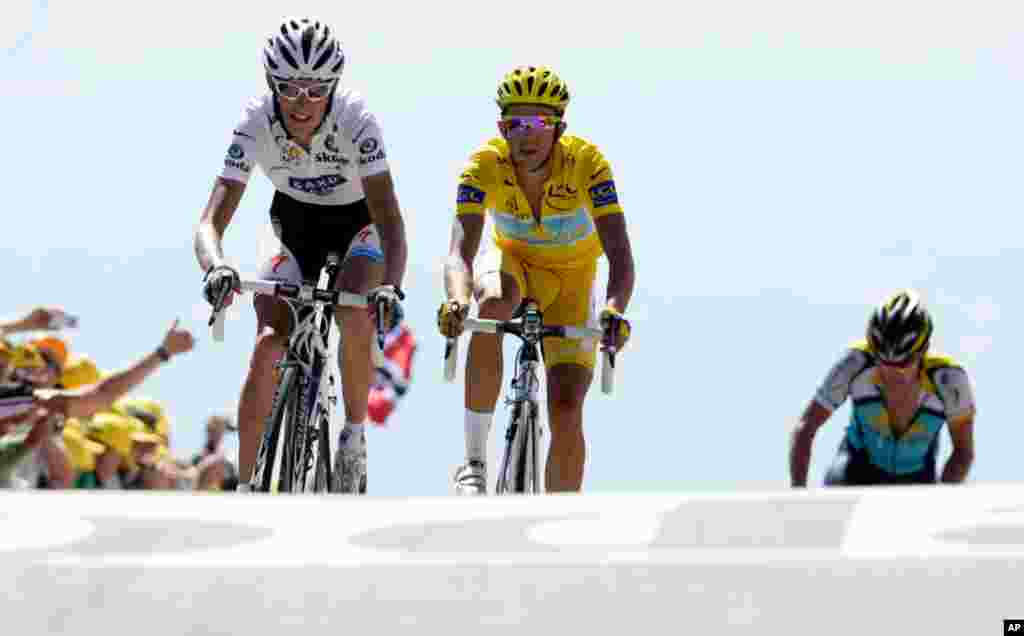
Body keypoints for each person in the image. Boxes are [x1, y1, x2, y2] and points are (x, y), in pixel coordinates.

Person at [195, 17, 408, 494]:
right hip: (292, 226)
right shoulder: (254, 122)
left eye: (316, 90)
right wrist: (217, 266)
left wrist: (390, 285)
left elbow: (390, 221)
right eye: (290, 88)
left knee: (354, 312)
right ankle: (248, 485)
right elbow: (210, 221)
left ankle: (353, 437)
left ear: (333, 87)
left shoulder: (357, 120)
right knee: (268, 342)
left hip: (360, 225)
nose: (302, 102)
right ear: (272, 84)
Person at [438, 66, 635, 494]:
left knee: (565, 410)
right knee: (490, 307)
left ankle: (560, 517)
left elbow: (620, 255)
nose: (526, 134)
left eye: (539, 123)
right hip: (515, 266)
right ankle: (474, 462)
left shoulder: (589, 164)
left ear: (560, 128)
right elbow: (459, 253)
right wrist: (456, 301)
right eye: (515, 123)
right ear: (501, 127)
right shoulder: (482, 166)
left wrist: (615, 310)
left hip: (572, 282)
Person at [790, 289, 977, 486]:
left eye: (903, 365)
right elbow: (806, 426)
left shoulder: (949, 380)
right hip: (855, 467)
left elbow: (963, 452)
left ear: (923, 350)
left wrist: (943, 496)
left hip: (917, 476)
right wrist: (798, 491)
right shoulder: (854, 363)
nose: (892, 373)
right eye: (882, 361)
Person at [0, 320, 193, 488]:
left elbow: (99, 397)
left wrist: (162, 353)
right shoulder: (21, 402)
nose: (35, 368)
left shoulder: (21, 400)